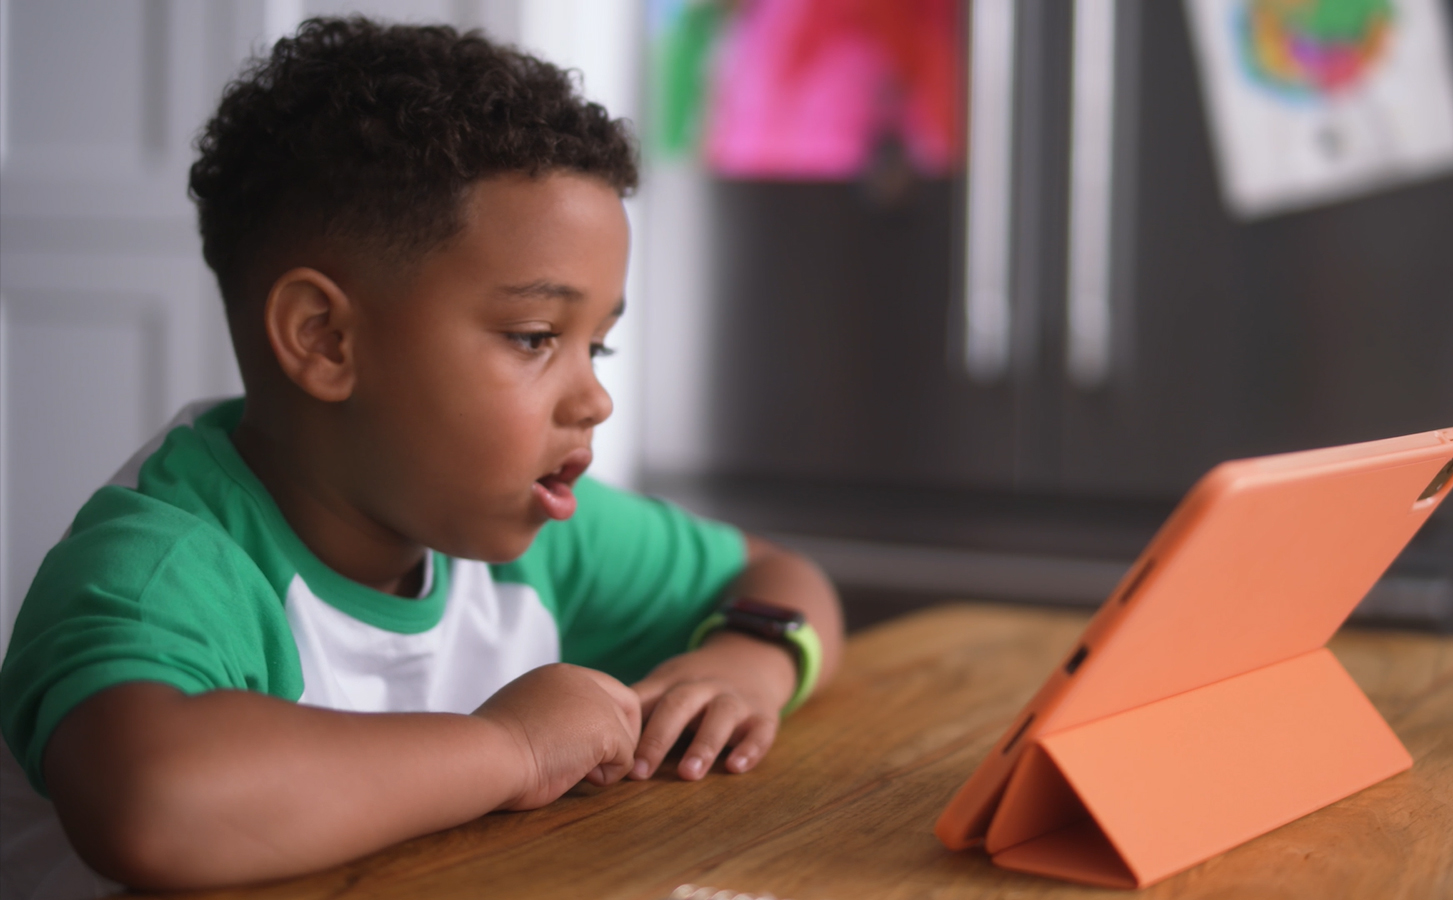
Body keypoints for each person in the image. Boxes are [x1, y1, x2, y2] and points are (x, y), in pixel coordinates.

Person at [0, 18, 843, 900]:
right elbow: (156, 807)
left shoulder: (529, 532)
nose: (594, 399)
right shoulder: (166, 565)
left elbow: (774, 572)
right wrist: (510, 747)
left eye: (600, 346)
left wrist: (747, 659)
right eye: (534, 338)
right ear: (325, 339)